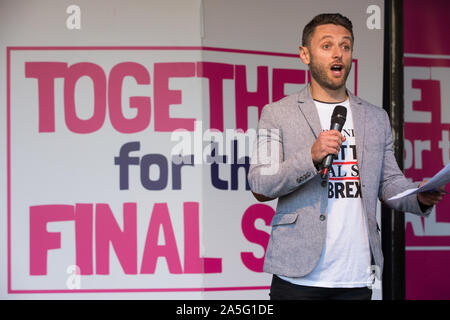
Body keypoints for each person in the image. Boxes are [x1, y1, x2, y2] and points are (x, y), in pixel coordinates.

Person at [248, 13, 445, 300]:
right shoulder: (278, 113)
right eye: (326, 46)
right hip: (297, 277)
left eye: (345, 45)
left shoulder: (375, 118)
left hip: (356, 276)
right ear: (305, 54)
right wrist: (311, 157)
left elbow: (388, 182)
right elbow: (260, 184)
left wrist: (417, 197)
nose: (338, 53)